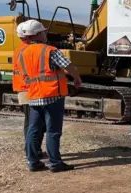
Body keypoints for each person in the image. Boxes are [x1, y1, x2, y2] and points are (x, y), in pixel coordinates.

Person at [17, 19, 82, 172]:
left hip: (33, 96)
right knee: (53, 131)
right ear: (39, 34)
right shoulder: (50, 51)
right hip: (52, 95)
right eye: (44, 32)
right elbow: (68, 66)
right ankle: (55, 163)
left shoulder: (22, 53)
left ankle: (33, 162)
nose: (46, 34)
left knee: (33, 130)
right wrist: (77, 78)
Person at [13, 20, 47, 160]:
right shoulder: (27, 51)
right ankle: (33, 152)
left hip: (25, 89)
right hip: (29, 90)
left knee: (31, 123)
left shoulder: (20, 49)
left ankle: (32, 150)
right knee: (34, 124)